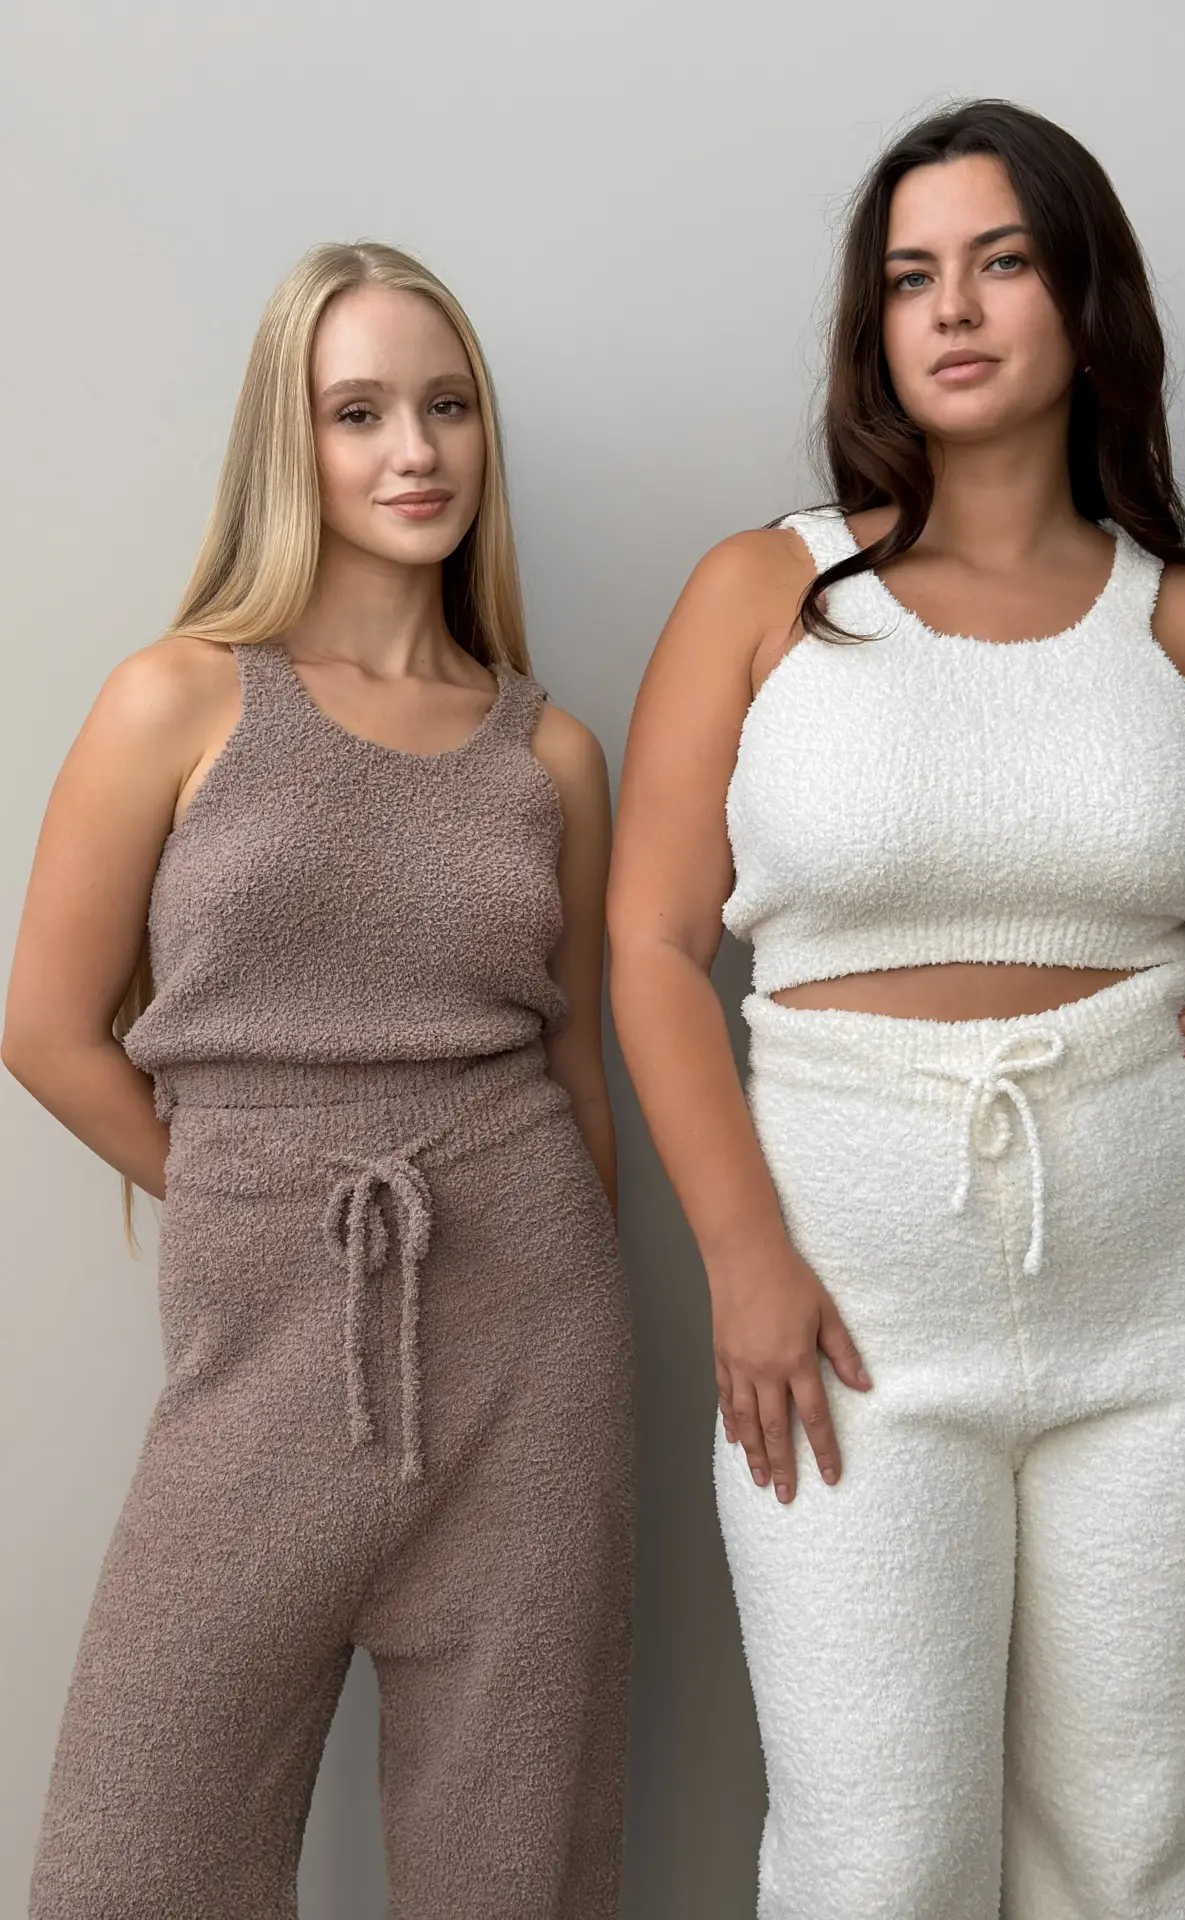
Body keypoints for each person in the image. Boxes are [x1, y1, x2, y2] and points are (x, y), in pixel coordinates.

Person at [607, 100, 1185, 1919]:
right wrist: (743, 1259)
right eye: (909, 277)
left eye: (1002, 262)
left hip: (1176, 1311)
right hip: (844, 1316)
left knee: (1145, 1848)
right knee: (877, 1859)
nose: (951, 310)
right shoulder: (768, 592)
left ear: (1085, 299)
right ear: (873, 325)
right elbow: (648, 945)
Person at [4, 241, 633, 1920]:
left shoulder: (550, 753)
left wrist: (597, 1300)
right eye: (358, 413)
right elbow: (45, 1027)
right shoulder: (176, 698)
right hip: (262, 1343)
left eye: (448, 407)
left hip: (535, 1343)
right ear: (290, 445)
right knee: (130, 1867)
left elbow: (579, 1072)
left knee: (513, 1868)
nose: (414, 450)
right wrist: (254, 1191)